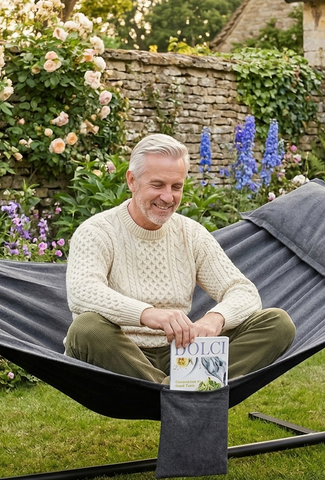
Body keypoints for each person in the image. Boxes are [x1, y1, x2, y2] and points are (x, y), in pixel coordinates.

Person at [65, 133, 295, 384]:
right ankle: (184, 388)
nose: (168, 197)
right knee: (86, 328)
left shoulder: (191, 233)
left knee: (277, 323)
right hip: (123, 355)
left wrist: (215, 319)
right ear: (132, 181)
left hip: (184, 352)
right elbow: (82, 291)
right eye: (158, 185)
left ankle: (176, 387)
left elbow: (243, 291)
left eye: (177, 187)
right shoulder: (97, 231)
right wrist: (147, 314)